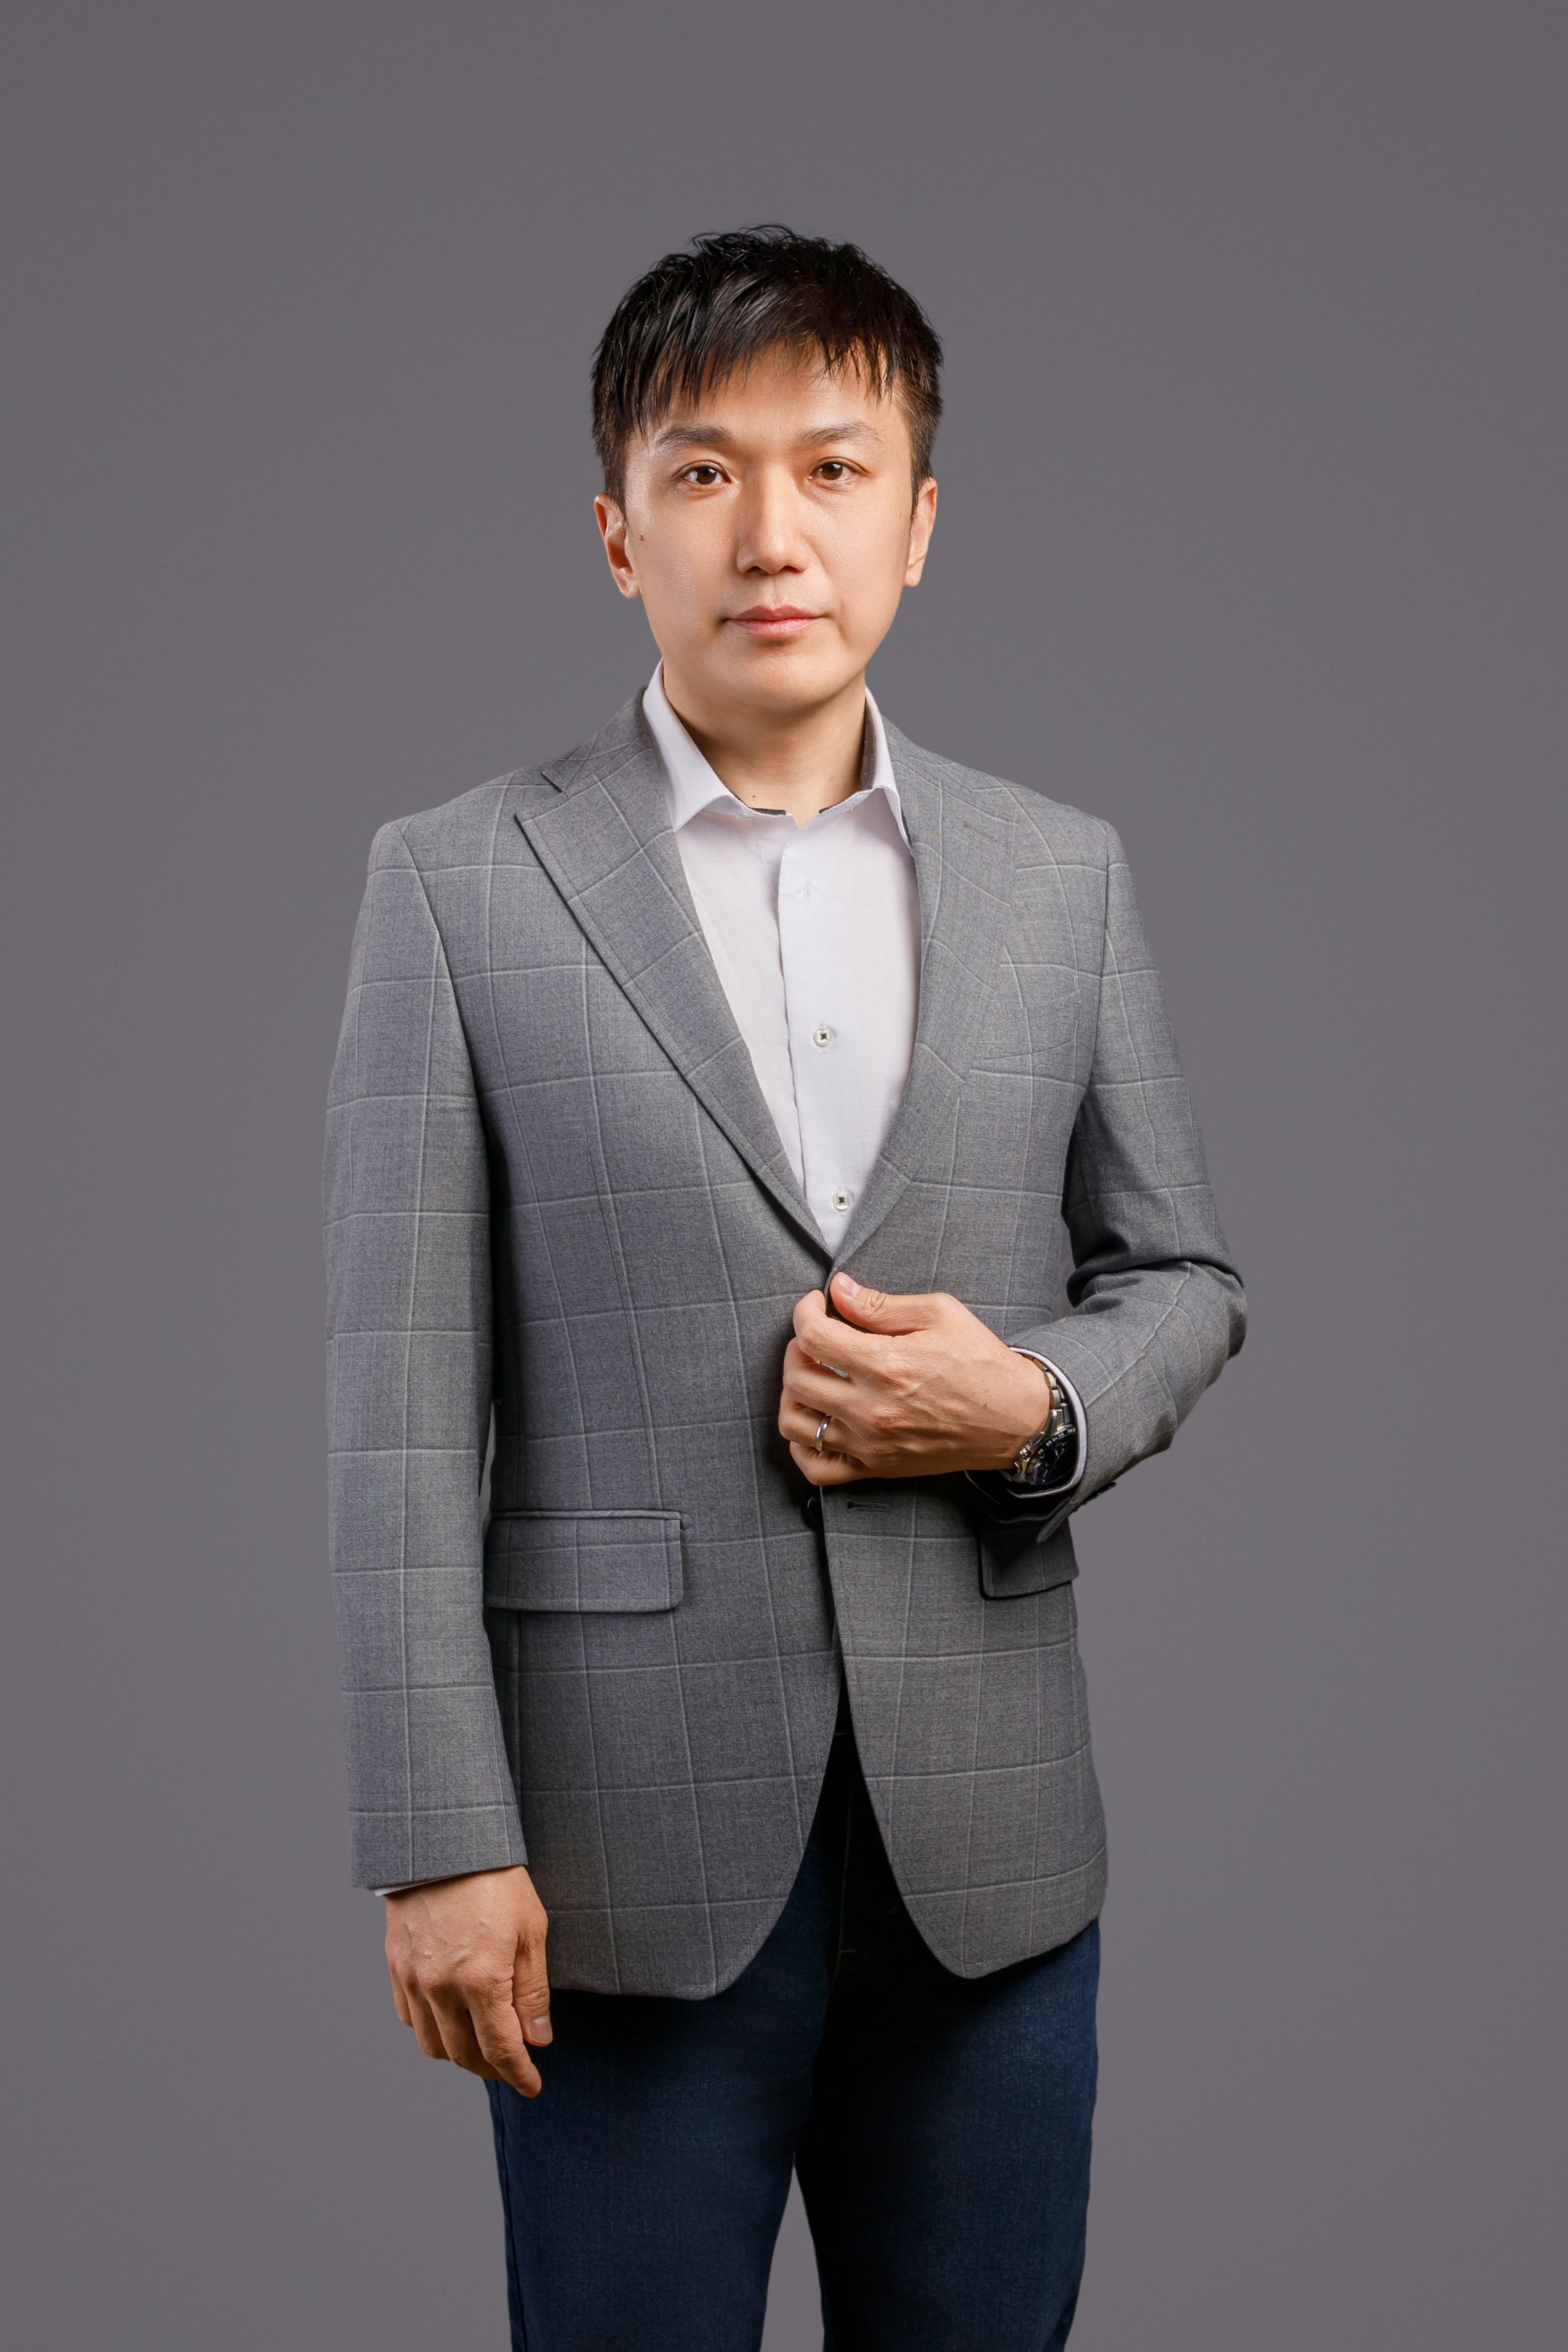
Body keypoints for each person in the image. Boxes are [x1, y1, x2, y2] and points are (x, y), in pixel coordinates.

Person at [322, 223, 1246, 2350]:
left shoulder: (1062, 876)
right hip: (611, 1868)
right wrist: (436, 1839)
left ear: (916, 523)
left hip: (994, 1865)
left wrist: (1029, 1408)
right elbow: (396, 1404)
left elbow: (1183, 1273)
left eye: (834, 468)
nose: (771, 531)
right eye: (703, 470)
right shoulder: (458, 885)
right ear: (615, 530)